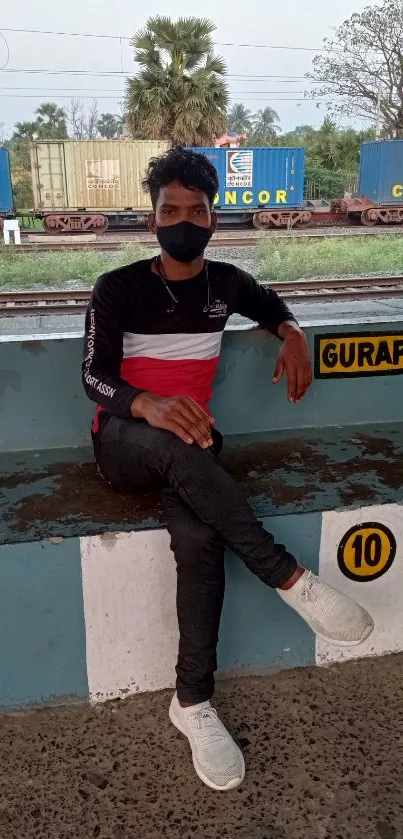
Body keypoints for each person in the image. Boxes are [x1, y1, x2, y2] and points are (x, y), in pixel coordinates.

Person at [82, 147, 374, 792]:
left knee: (199, 537)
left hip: (192, 443)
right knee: (178, 444)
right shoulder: (118, 288)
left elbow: (272, 305)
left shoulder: (227, 284)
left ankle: (191, 703)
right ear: (152, 217)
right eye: (170, 210)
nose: (183, 220)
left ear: (214, 218)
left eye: (197, 210)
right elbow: (94, 376)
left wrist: (293, 333)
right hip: (126, 444)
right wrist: (146, 404)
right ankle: (287, 575)